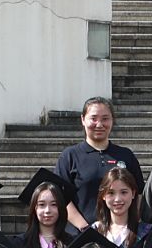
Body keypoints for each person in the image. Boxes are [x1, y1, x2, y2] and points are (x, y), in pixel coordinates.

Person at [56, 96, 143, 228]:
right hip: (80, 234)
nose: (99, 124)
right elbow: (60, 197)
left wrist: (127, 227)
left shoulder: (126, 155)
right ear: (83, 119)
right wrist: (85, 228)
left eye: (105, 119)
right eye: (94, 118)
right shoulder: (69, 156)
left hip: (120, 233)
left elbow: (138, 193)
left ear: (112, 120)